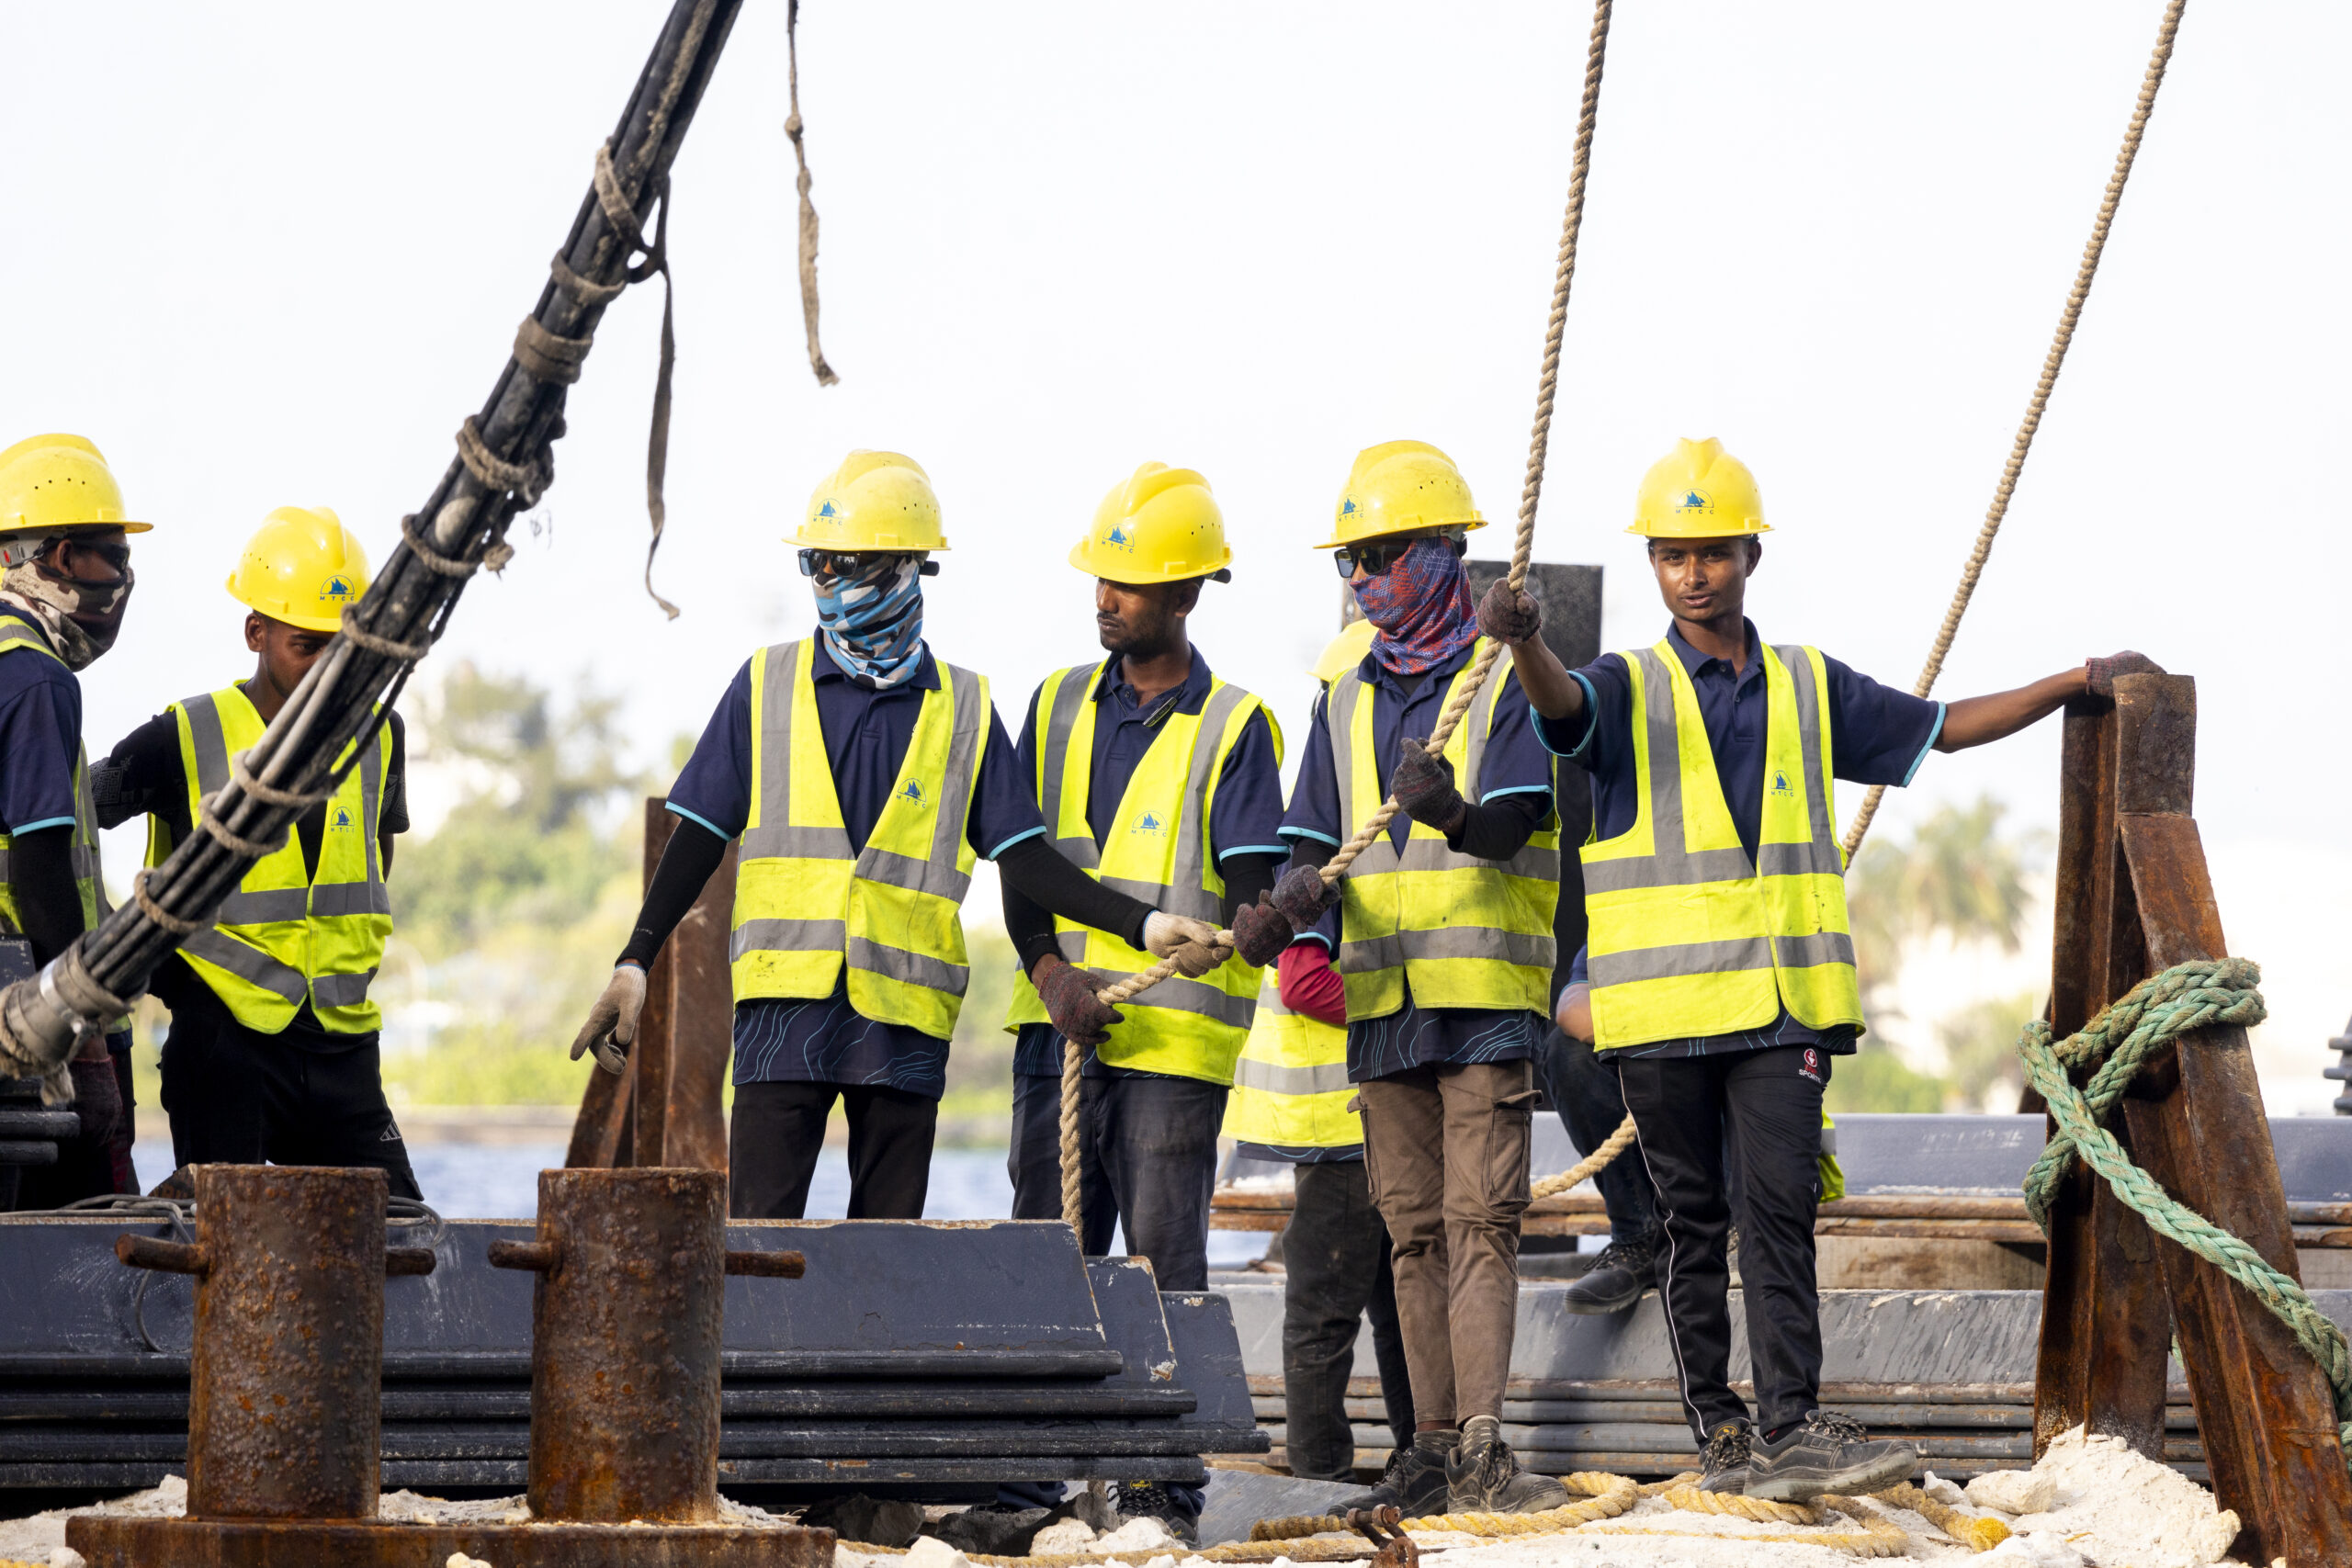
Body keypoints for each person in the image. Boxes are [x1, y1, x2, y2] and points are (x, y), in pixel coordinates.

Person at [1491, 435, 2142, 1503]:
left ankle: (1794, 1423)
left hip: (1782, 1013)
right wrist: (1524, 646)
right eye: (1670, 554)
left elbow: (1941, 730)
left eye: (1710, 552)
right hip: (1662, 1018)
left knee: (1779, 1214)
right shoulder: (1621, 684)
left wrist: (2071, 682)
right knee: (1690, 1232)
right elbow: (1561, 711)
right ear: (1655, 566)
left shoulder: (1804, 684)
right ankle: (1725, 1437)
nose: (1692, 572)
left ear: (1749, 556)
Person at [570, 451, 1226, 1222]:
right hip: (783, 1016)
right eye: (817, 563)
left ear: (907, 570)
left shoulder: (967, 707)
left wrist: (1141, 925)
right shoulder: (766, 683)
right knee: (751, 1242)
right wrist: (633, 964)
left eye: (847, 564)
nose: (827, 582)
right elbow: (697, 838)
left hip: (903, 1028)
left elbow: (1028, 863)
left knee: (885, 1258)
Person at [1231, 440, 1566, 1515]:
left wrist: (1452, 814)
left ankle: (1481, 1443)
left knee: (1479, 1225)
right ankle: (1428, 1444)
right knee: (1413, 1231)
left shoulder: (1498, 675)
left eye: (1381, 555)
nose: (1362, 579)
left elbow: (1518, 820)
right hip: (1383, 1003)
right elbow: (1306, 840)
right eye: (1351, 561)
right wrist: (1289, 908)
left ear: (1441, 552)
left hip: (1477, 1002)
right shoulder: (1345, 696)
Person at [992, 461, 1286, 1540]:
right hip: (1056, 1030)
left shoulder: (1238, 726)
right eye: (1101, 577)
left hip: (1169, 1049)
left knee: (1160, 1269)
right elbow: (1021, 865)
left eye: (1126, 580)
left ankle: (1161, 1488)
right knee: (1041, 1260)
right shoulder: (1057, 702)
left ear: (1184, 594)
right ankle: (1025, 1480)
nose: (1104, 596)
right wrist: (1049, 973)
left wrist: (1263, 918)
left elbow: (1254, 888)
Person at [95, 506, 417, 1194]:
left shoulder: (382, 735)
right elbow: (62, 822)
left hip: (341, 1045)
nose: (332, 673)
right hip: (224, 1043)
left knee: (406, 1242)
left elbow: (371, 861)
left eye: (346, 651)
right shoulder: (185, 734)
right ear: (256, 633)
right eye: (309, 646)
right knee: (226, 1236)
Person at [1221, 617, 1416, 1492]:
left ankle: (1416, 1458)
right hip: (1340, 1121)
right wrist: (1409, 1019)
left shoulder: (1360, 847)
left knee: (1399, 1305)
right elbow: (1304, 980)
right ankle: (1321, 1479)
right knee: (1330, 1307)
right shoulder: (1324, 862)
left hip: (1366, 1113)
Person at [0, 434, 143, 1203]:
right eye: (106, 557)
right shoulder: (35, 676)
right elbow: (41, 869)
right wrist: (83, 1036)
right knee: (83, 1238)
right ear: (51, 557)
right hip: (30, 1005)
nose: (122, 581)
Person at [1542, 942, 1661, 1313]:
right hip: (1663, 1063)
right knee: (1567, 1051)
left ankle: (1734, 1231)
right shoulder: (1624, 915)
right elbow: (1574, 1014)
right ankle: (1639, 1237)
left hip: (1748, 1101)